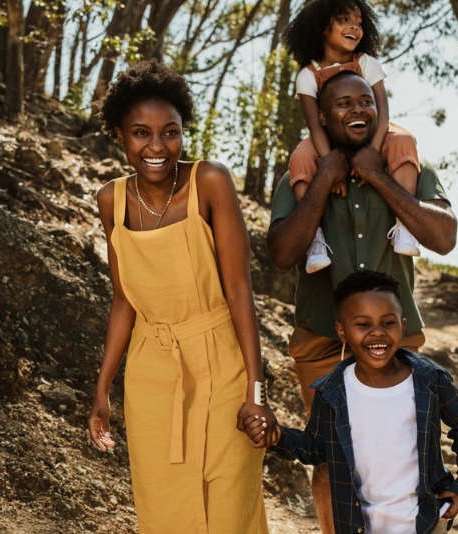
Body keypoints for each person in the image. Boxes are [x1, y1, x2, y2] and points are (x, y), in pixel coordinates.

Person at [86, 59, 278, 533]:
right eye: (141, 133)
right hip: (153, 375)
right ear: (118, 135)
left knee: (229, 504)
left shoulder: (209, 181)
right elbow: (124, 300)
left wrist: (256, 392)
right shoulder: (109, 199)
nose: (156, 146)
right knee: (166, 509)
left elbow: (238, 290)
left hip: (223, 365)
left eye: (170, 132)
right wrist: (102, 389)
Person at [266, 70, 458, 534]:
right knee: (332, 453)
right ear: (323, 120)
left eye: (364, 102)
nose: (357, 110)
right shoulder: (305, 170)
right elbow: (282, 253)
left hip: (392, 339)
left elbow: (445, 238)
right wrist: (323, 180)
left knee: (401, 450)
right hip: (321, 338)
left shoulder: (405, 162)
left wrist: (378, 177)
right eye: (343, 104)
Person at [244, 270, 458, 534]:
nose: (377, 333)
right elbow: (315, 448)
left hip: (425, 523)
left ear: (403, 326)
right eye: (363, 324)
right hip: (359, 526)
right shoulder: (332, 392)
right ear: (342, 331)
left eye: (387, 323)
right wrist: (277, 437)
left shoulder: (430, 380)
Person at [283, 0, 422, 273]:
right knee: (300, 156)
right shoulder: (308, 76)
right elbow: (314, 126)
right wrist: (330, 165)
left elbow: (382, 113)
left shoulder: (366, 63)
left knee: (404, 140)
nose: (354, 28)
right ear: (323, 27)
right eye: (345, 20)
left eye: (358, 23)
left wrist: (372, 150)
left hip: (371, 133)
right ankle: (315, 240)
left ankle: (405, 225)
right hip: (329, 139)